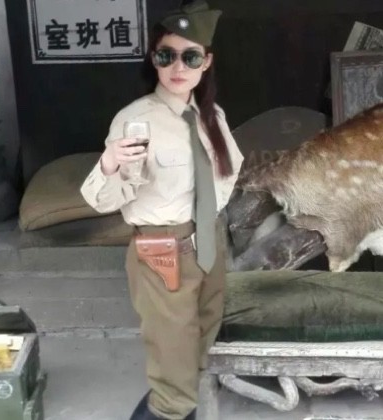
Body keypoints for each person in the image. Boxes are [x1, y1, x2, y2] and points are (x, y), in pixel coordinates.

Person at [80, 1, 243, 418]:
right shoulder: (136, 120)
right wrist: (109, 163)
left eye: (191, 57)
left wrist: (210, 217)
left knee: (198, 349)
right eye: (166, 55)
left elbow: (229, 172)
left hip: (208, 246)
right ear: (154, 60)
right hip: (163, 252)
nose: (178, 67)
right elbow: (104, 199)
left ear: (207, 62)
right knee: (173, 368)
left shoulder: (210, 115)